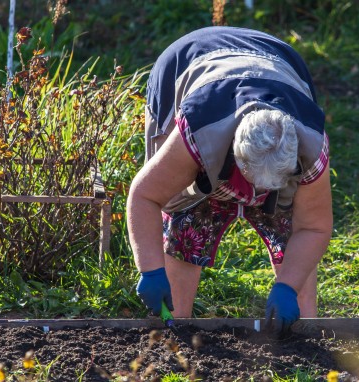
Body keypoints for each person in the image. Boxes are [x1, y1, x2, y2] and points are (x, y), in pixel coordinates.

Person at [127, 26, 333, 336]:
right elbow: (145, 195)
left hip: (278, 60)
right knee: (186, 214)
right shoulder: (198, 132)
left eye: (268, 188)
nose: (256, 195)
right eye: (253, 184)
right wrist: (151, 269)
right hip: (187, 63)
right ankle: (175, 327)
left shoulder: (311, 144)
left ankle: (301, 327)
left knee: (292, 226)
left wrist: (288, 286)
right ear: (236, 154)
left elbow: (314, 226)